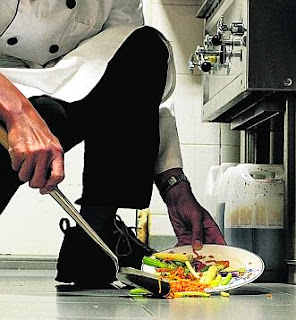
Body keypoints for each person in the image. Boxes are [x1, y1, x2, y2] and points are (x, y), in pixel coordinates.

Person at [0, 0, 225, 288]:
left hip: (54, 88)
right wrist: (18, 112)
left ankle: (95, 237)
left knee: (144, 48)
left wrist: (175, 186)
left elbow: (133, 72)